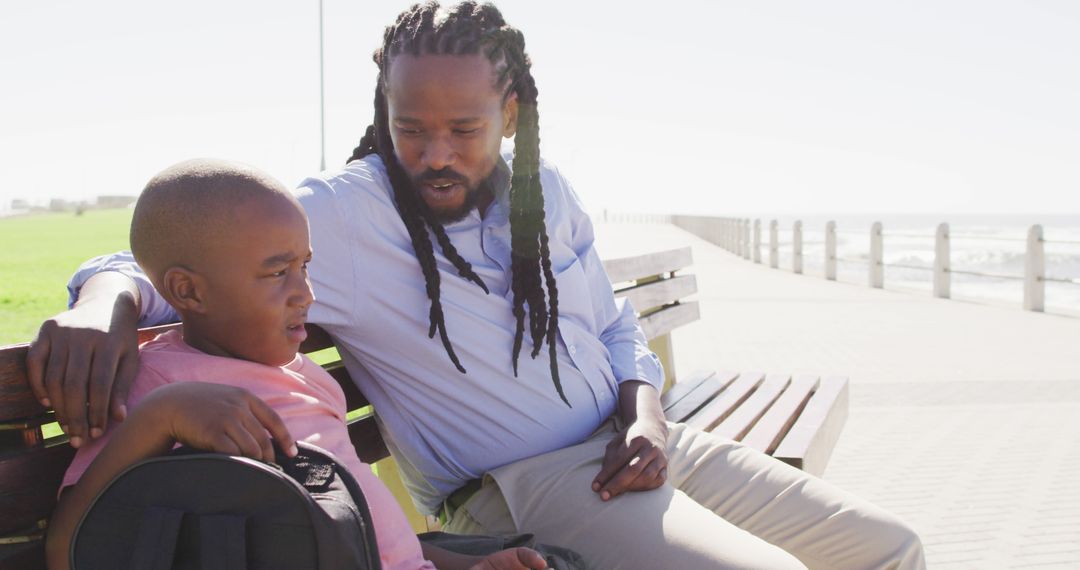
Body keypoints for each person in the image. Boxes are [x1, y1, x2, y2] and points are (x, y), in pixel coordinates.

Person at [31, 2, 925, 568]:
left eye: (462, 128)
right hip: (525, 484)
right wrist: (97, 300)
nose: (432, 154)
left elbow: (614, 326)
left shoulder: (549, 193)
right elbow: (173, 264)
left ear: (512, 115)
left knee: (892, 549)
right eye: (408, 126)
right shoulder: (344, 217)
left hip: (645, 443)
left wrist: (647, 413)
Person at [43, 159, 553, 570]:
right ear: (187, 291)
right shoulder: (155, 386)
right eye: (278, 273)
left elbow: (367, 538)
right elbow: (68, 550)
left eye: (305, 267)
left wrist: (469, 565)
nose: (305, 293)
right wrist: (163, 416)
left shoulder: (308, 380)